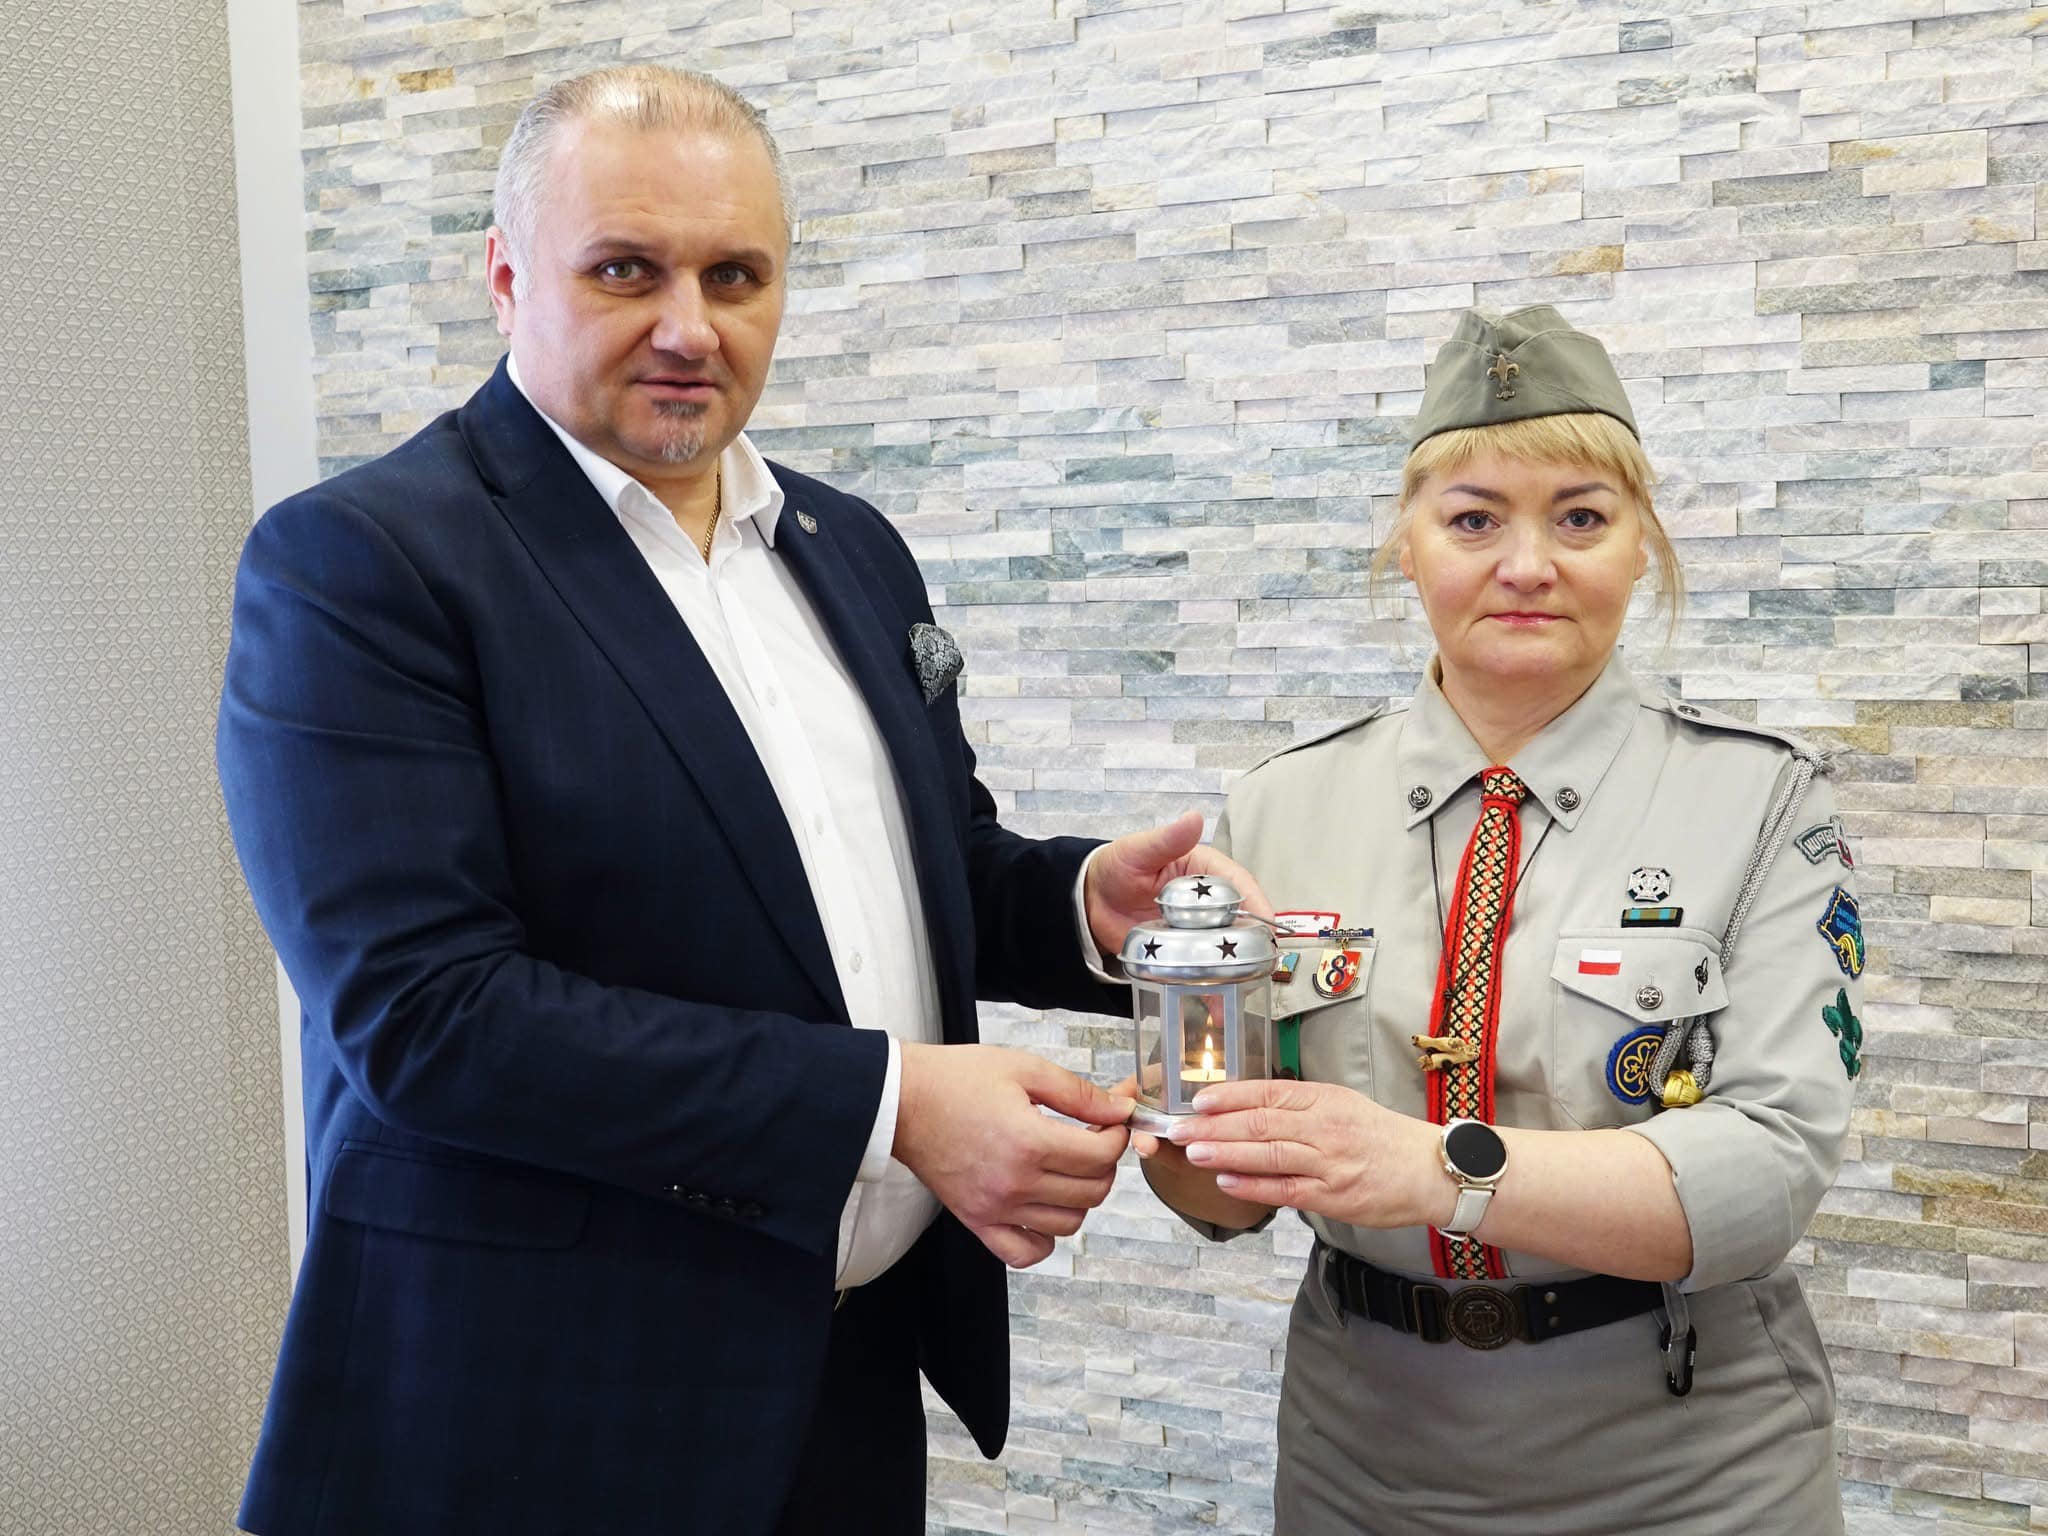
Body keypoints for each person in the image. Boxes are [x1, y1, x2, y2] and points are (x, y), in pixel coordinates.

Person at [217, 65, 1256, 1536]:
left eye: (735, 275)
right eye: (626, 270)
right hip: (530, 1416)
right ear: (506, 277)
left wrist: (1087, 904)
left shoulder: (848, 545)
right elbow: (428, 1017)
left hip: (836, 1375)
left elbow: (904, 870)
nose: (690, 327)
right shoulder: (362, 564)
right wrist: (896, 1105)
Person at [1131, 306, 1860, 1534]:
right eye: (1472, 520)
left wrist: (1431, 1169)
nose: (1526, 565)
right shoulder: (1275, 807)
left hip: (1691, 1462)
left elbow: (1769, 1170)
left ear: (1641, 546)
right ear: (1406, 546)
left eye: (1579, 518)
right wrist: (1172, 1128)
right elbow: (1224, 1200)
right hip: (1361, 1457)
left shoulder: (1763, 800)